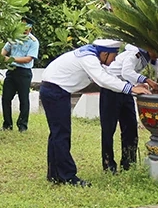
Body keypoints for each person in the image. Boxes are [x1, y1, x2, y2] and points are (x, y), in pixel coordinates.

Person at [40, 39, 150, 186]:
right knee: (61, 134)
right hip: (55, 92)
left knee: (57, 134)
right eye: (114, 55)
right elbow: (102, 79)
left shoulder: (92, 56)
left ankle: (55, 174)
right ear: (104, 53)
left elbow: (108, 75)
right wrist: (130, 89)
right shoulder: (89, 58)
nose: (115, 59)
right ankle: (68, 176)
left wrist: (132, 84)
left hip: (55, 90)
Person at [101, 44, 158, 173]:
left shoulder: (152, 58)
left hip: (126, 89)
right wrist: (147, 80)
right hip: (111, 89)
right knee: (108, 129)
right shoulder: (134, 54)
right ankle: (108, 165)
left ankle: (129, 163)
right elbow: (126, 72)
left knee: (130, 127)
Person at [1, 17, 40, 132]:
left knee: (24, 99)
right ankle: (7, 125)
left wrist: (10, 59)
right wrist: (1, 57)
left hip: (24, 73)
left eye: (25, 28)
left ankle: (22, 126)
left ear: (30, 28)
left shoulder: (33, 41)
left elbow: (28, 59)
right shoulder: (14, 38)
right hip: (11, 70)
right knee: (6, 98)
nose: (23, 30)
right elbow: (4, 50)